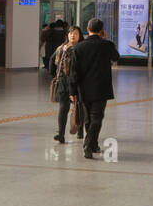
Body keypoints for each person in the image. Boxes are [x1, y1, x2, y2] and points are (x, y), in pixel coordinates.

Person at [68, 17, 119, 160]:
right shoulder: (107, 45)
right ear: (102, 31)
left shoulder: (78, 47)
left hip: (83, 88)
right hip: (101, 88)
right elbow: (116, 57)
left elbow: (74, 71)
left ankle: (92, 144)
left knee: (88, 118)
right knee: (97, 117)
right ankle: (88, 145)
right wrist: (106, 40)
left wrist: (72, 91)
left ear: (87, 30)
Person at [51, 25, 83, 143]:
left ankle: (80, 131)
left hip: (78, 83)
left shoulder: (80, 48)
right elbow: (51, 61)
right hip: (64, 83)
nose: (72, 35)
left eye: (75, 33)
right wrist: (57, 76)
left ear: (80, 35)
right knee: (63, 108)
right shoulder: (61, 48)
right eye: (70, 33)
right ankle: (61, 134)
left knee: (79, 107)